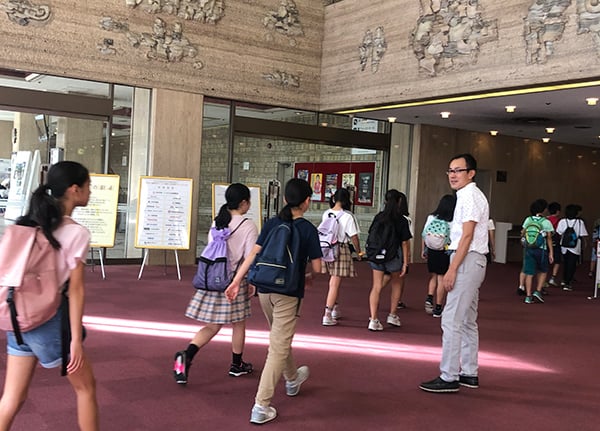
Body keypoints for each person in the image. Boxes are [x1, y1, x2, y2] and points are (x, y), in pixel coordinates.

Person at [0, 161, 99, 430]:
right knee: (86, 389)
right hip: (48, 322)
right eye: (89, 187)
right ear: (74, 190)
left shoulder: (26, 225)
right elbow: (76, 289)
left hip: (17, 317)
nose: (91, 193)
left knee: (12, 397)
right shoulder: (76, 232)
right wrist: (75, 339)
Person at [225, 178, 321, 425]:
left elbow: (254, 254)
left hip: (265, 289)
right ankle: (261, 405)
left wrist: (237, 281)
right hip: (289, 292)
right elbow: (319, 268)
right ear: (307, 201)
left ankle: (292, 379)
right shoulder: (308, 229)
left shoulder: (272, 223)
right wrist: (307, 275)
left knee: (280, 338)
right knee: (278, 345)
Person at [173, 183, 258, 384]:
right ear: (244, 202)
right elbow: (249, 257)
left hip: (214, 278)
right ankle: (236, 364)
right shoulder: (248, 225)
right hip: (234, 281)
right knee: (239, 323)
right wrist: (249, 281)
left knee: (212, 325)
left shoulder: (217, 221)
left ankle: (187, 354)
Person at [420, 153, 488, 393]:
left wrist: (452, 268)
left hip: (466, 260)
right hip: (473, 260)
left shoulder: (469, 196)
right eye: (450, 170)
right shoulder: (469, 195)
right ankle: (469, 372)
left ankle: (449, 376)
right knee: (468, 320)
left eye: (458, 170)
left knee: (451, 319)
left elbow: (467, 236)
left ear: (471, 173)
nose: (453, 175)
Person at [366, 189, 412, 331]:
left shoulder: (379, 217)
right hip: (394, 255)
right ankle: (392, 314)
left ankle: (373, 319)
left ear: (385, 201)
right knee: (397, 284)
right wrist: (405, 262)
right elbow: (405, 242)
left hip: (377, 254)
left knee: (377, 286)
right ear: (399, 202)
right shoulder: (402, 219)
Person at [321, 188, 362, 326]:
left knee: (333, 280)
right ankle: (327, 313)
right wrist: (359, 252)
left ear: (333, 199)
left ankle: (335, 308)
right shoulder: (348, 216)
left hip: (327, 248)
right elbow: (354, 236)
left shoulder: (326, 213)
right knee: (335, 282)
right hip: (341, 248)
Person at [421, 194, 456, 318]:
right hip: (444, 251)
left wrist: (424, 250)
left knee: (433, 276)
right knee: (441, 278)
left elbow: (424, 234)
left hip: (432, 249)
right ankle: (438, 307)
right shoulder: (452, 221)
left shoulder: (431, 217)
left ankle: (430, 297)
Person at [520, 199, 554, 304]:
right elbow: (549, 238)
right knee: (543, 271)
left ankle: (528, 296)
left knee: (529, 273)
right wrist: (551, 253)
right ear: (544, 210)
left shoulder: (528, 220)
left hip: (529, 249)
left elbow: (522, 233)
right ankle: (538, 291)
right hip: (541, 250)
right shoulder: (546, 222)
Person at [556, 204, 588, 291]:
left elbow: (558, 232)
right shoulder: (580, 222)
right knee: (572, 264)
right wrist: (585, 243)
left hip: (564, 246)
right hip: (575, 246)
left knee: (566, 263)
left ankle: (564, 279)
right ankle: (568, 282)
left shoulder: (562, 221)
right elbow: (582, 234)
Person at [546, 202, 562, 287]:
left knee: (545, 260)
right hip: (556, 241)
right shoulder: (559, 220)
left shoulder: (545, 220)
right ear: (558, 211)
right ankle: (552, 278)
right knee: (557, 260)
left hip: (545, 241)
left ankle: (544, 278)